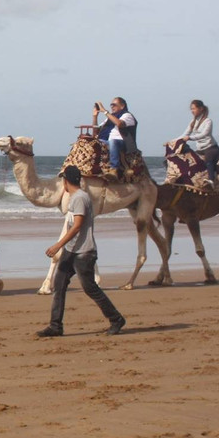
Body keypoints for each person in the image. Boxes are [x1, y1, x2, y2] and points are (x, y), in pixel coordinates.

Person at [36, 165, 127, 338]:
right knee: (59, 285)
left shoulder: (79, 198)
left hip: (83, 252)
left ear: (65, 181)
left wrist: (58, 245)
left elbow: (77, 226)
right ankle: (55, 326)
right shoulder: (75, 197)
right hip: (71, 251)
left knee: (90, 288)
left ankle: (116, 319)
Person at [180, 99, 219, 187]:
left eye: (194, 109)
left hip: (210, 148)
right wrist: (173, 141)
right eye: (191, 109)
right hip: (200, 149)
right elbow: (185, 134)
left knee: (208, 160)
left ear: (201, 109)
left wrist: (190, 138)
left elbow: (204, 134)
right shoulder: (193, 122)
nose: (192, 111)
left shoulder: (208, 121)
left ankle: (211, 180)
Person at [93, 97, 137, 172]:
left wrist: (104, 111)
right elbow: (96, 131)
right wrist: (95, 116)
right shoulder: (110, 118)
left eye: (114, 105)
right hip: (107, 141)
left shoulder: (127, 115)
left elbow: (119, 123)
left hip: (122, 142)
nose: (112, 107)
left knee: (113, 141)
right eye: (111, 105)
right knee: (92, 142)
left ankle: (114, 168)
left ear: (122, 106)